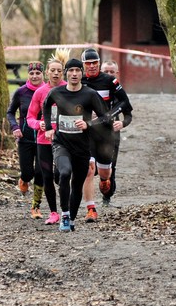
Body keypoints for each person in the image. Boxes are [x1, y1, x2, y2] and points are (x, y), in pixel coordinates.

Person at [43, 58, 109, 232]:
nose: (74, 74)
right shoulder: (56, 92)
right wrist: (49, 128)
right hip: (61, 143)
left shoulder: (90, 94)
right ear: (66, 73)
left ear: (82, 73)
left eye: (77, 71)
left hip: (82, 147)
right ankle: (64, 215)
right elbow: (46, 105)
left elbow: (104, 117)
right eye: (71, 71)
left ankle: (71, 218)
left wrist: (89, 124)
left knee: (77, 184)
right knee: (64, 173)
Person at [80, 48, 133, 217]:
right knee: (88, 169)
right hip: (86, 132)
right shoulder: (78, 80)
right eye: (88, 64)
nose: (92, 67)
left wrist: (108, 116)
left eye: (95, 63)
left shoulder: (110, 82)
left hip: (106, 133)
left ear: (99, 64)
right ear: (83, 66)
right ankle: (90, 208)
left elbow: (126, 104)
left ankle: (105, 183)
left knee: (106, 171)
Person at [26, 49, 69, 225]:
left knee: (61, 174)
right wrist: (38, 124)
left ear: (63, 72)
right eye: (53, 70)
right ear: (47, 73)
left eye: (59, 70)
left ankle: (66, 207)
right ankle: (53, 212)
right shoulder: (40, 92)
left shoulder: (68, 89)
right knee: (46, 176)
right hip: (43, 140)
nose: (56, 73)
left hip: (65, 140)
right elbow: (29, 117)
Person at [6, 61, 45, 218]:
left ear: (43, 74)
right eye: (32, 73)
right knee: (28, 173)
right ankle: (23, 179)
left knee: (40, 172)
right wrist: (15, 127)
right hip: (25, 138)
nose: (34, 76)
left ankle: (36, 206)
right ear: (28, 75)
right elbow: (10, 112)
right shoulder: (21, 92)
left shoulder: (49, 91)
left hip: (43, 139)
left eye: (38, 73)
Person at [97, 59, 133, 206]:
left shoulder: (119, 92)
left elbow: (129, 114)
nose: (109, 74)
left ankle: (107, 197)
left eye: (112, 72)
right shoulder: (92, 88)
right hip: (91, 132)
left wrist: (122, 123)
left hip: (111, 134)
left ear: (117, 74)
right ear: (100, 72)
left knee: (110, 166)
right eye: (106, 72)